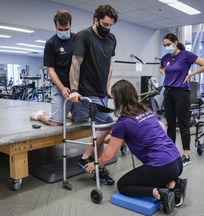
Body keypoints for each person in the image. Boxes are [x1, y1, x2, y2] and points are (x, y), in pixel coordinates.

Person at [85, 80, 187, 214]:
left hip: (162, 167)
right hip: (177, 161)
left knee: (123, 185)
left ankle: (159, 194)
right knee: (152, 175)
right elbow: (141, 133)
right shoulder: (146, 110)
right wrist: (113, 140)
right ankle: (175, 184)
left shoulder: (123, 122)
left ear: (118, 100)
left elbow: (109, 156)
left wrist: (95, 164)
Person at [68, 4, 119, 185]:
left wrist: (107, 88)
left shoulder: (112, 38)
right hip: (86, 92)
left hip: (101, 93)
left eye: (110, 25)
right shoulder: (84, 36)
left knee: (103, 129)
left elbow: (109, 66)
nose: (108, 28)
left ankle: (88, 159)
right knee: (108, 124)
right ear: (95, 20)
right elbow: (76, 64)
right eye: (105, 24)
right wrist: (74, 91)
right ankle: (86, 158)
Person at [158, 33, 204, 167]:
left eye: (168, 44)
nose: (167, 47)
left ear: (175, 43)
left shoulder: (186, 55)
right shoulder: (166, 58)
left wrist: (191, 74)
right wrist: (165, 74)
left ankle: (186, 154)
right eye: (165, 45)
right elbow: (160, 67)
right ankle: (171, 152)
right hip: (168, 92)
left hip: (182, 93)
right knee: (170, 124)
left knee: (183, 124)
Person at [29, 10, 75, 126]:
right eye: (60, 29)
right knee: (56, 123)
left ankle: (65, 114)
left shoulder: (77, 39)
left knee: (81, 119)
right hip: (60, 88)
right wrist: (62, 88)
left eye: (66, 29)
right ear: (55, 26)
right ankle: (40, 115)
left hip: (76, 88)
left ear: (70, 25)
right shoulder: (51, 43)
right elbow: (51, 70)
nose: (63, 32)